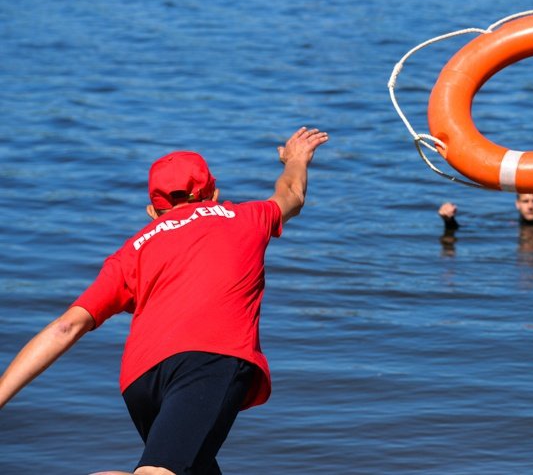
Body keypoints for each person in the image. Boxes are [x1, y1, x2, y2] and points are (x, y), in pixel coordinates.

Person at [0, 126, 329, 475]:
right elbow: (292, 194)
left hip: (140, 381)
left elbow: (66, 326)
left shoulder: (131, 251)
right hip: (208, 359)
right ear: (213, 194)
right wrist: (295, 160)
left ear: (152, 212)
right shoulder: (244, 217)